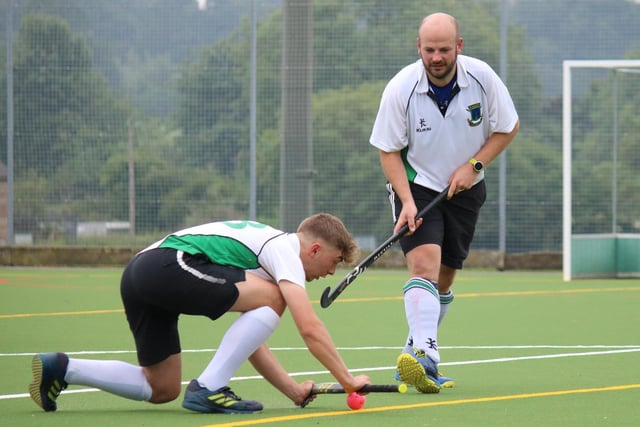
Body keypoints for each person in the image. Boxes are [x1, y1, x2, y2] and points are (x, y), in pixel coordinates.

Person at [29, 213, 371, 414]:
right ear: (314, 248)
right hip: (166, 264)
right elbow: (308, 327)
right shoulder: (283, 249)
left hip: (141, 273)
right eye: (334, 262)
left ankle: (63, 368)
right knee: (274, 300)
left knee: (161, 387)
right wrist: (348, 379)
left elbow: (251, 340)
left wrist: (292, 390)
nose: (330, 273)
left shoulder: (268, 261)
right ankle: (209, 387)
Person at [369, 12, 519, 393]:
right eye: (430, 49)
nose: (437, 57)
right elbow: (388, 151)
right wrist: (405, 201)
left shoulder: (482, 79)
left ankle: (412, 355)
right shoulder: (401, 88)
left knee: (446, 277)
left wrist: (474, 165)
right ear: (418, 48)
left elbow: (508, 127)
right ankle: (427, 355)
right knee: (423, 265)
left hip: (467, 187)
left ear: (459, 47)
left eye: (445, 49)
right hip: (417, 184)